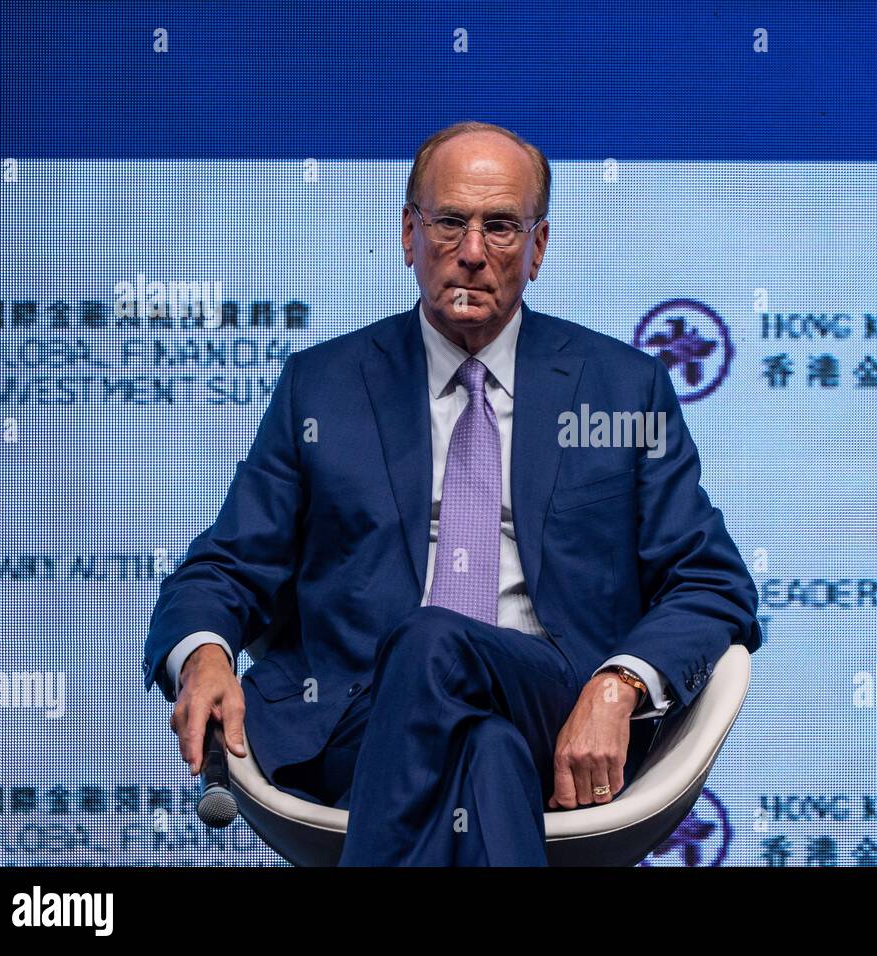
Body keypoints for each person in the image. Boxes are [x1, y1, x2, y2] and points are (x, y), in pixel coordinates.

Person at [142, 121, 762, 865]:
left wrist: (617, 686)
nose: (472, 251)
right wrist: (206, 656)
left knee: (438, 645)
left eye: (501, 227)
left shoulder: (621, 389)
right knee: (485, 749)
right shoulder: (325, 387)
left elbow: (711, 582)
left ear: (539, 248)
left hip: (554, 707)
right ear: (409, 234)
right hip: (353, 715)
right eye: (449, 223)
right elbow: (225, 567)